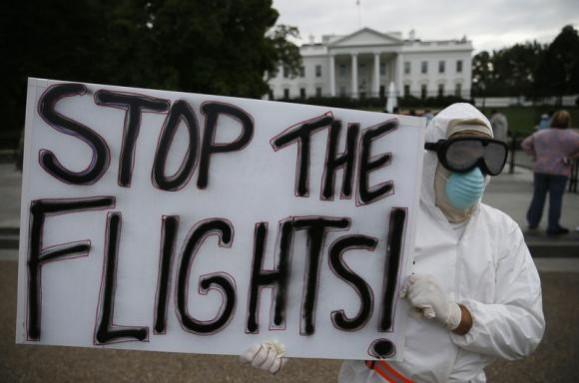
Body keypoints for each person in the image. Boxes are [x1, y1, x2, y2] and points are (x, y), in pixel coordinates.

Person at [242, 103, 545, 382]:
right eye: (461, 154)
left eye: (488, 157)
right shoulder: (383, 220)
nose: (476, 172)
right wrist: (283, 342)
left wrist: (459, 315)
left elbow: (527, 328)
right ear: (430, 157)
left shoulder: (503, 232)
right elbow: (321, 291)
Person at [522, 110, 579, 235]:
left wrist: (536, 155)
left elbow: (525, 144)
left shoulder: (541, 134)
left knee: (538, 196)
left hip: (541, 169)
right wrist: (572, 157)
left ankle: (533, 222)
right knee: (556, 199)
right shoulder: (573, 136)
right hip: (560, 170)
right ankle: (553, 226)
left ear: (553, 120)